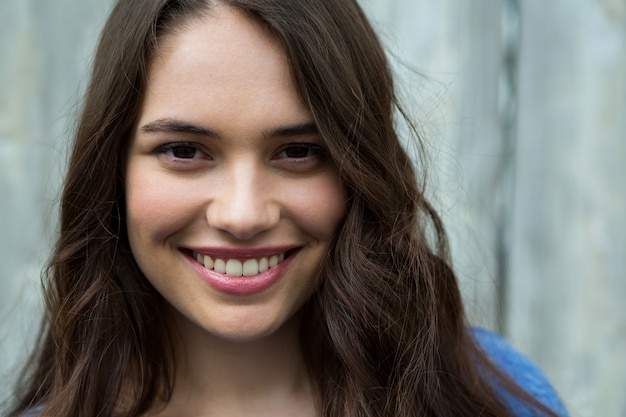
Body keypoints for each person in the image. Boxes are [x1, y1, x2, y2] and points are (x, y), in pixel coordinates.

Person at [8, 1, 569, 416]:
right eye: (184, 151)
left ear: (357, 171)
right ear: (112, 171)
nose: (243, 214)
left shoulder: (495, 395)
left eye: (298, 152)